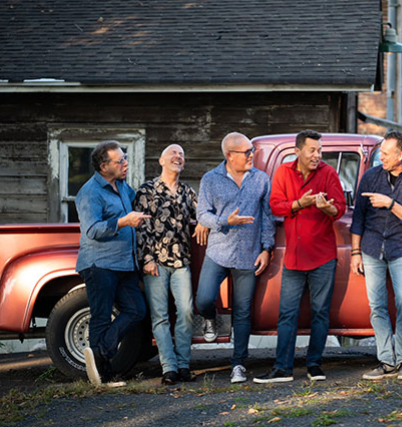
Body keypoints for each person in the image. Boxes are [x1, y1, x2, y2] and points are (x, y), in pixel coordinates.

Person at [254, 129, 346, 384]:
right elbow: (275, 206)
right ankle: (282, 368)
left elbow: (340, 208)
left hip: (323, 256)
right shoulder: (284, 172)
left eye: (320, 150)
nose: (317, 155)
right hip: (294, 257)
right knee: (287, 313)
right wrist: (300, 204)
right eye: (312, 150)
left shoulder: (328, 173)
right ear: (298, 151)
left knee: (320, 313)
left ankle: (314, 365)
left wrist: (328, 208)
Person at [350, 130, 402, 381]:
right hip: (371, 249)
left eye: (385, 153)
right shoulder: (371, 176)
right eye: (381, 153)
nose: (381, 157)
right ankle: (386, 361)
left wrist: (390, 204)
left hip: (401, 248)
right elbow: (358, 217)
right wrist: (355, 252)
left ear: (401, 155)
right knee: (377, 306)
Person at [195, 132, 275, 384]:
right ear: (230, 155)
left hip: (249, 254)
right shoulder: (210, 179)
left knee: (243, 312)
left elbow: (268, 217)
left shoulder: (261, 179)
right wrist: (224, 221)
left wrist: (267, 249)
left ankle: (238, 363)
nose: (252, 155)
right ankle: (210, 319)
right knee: (203, 299)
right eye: (247, 152)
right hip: (218, 251)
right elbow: (202, 214)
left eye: (252, 151)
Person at [75, 140, 150, 385]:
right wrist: (124, 222)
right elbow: (92, 230)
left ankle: (101, 351)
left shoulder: (123, 187)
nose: (125, 163)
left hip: (124, 265)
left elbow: (139, 203)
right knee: (101, 317)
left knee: (136, 310)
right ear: (103, 166)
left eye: (125, 157)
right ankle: (103, 377)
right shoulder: (90, 192)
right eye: (120, 161)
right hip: (99, 265)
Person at [134, 144, 209, 386]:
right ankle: (169, 368)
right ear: (161, 160)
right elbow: (141, 228)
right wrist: (147, 259)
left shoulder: (188, 192)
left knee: (186, 312)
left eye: (181, 155)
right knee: (160, 316)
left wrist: (202, 222)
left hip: (181, 261)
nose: (178, 157)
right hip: (155, 262)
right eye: (173, 154)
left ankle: (183, 365)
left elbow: (203, 213)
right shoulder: (147, 190)